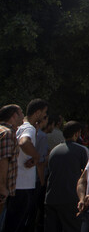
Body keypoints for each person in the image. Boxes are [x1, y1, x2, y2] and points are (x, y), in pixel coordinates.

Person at [5, 99, 48, 232]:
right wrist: (36, 156)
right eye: (44, 112)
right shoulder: (28, 128)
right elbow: (24, 142)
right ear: (38, 112)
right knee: (17, 224)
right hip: (23, 185)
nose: (45, 116)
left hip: (14, 182)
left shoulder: (20, 127)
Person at [44, 121, 89, 232]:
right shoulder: (81, 150)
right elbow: (87, 174)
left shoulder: (54, 151)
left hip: (51, 198)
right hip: (70, 198)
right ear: (77, 133)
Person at [0, 105, 24, 232]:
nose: (23, 116)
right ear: (14, 115)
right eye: (21, 113)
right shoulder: (8, 134)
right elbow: (4, 160)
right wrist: (3, 187)